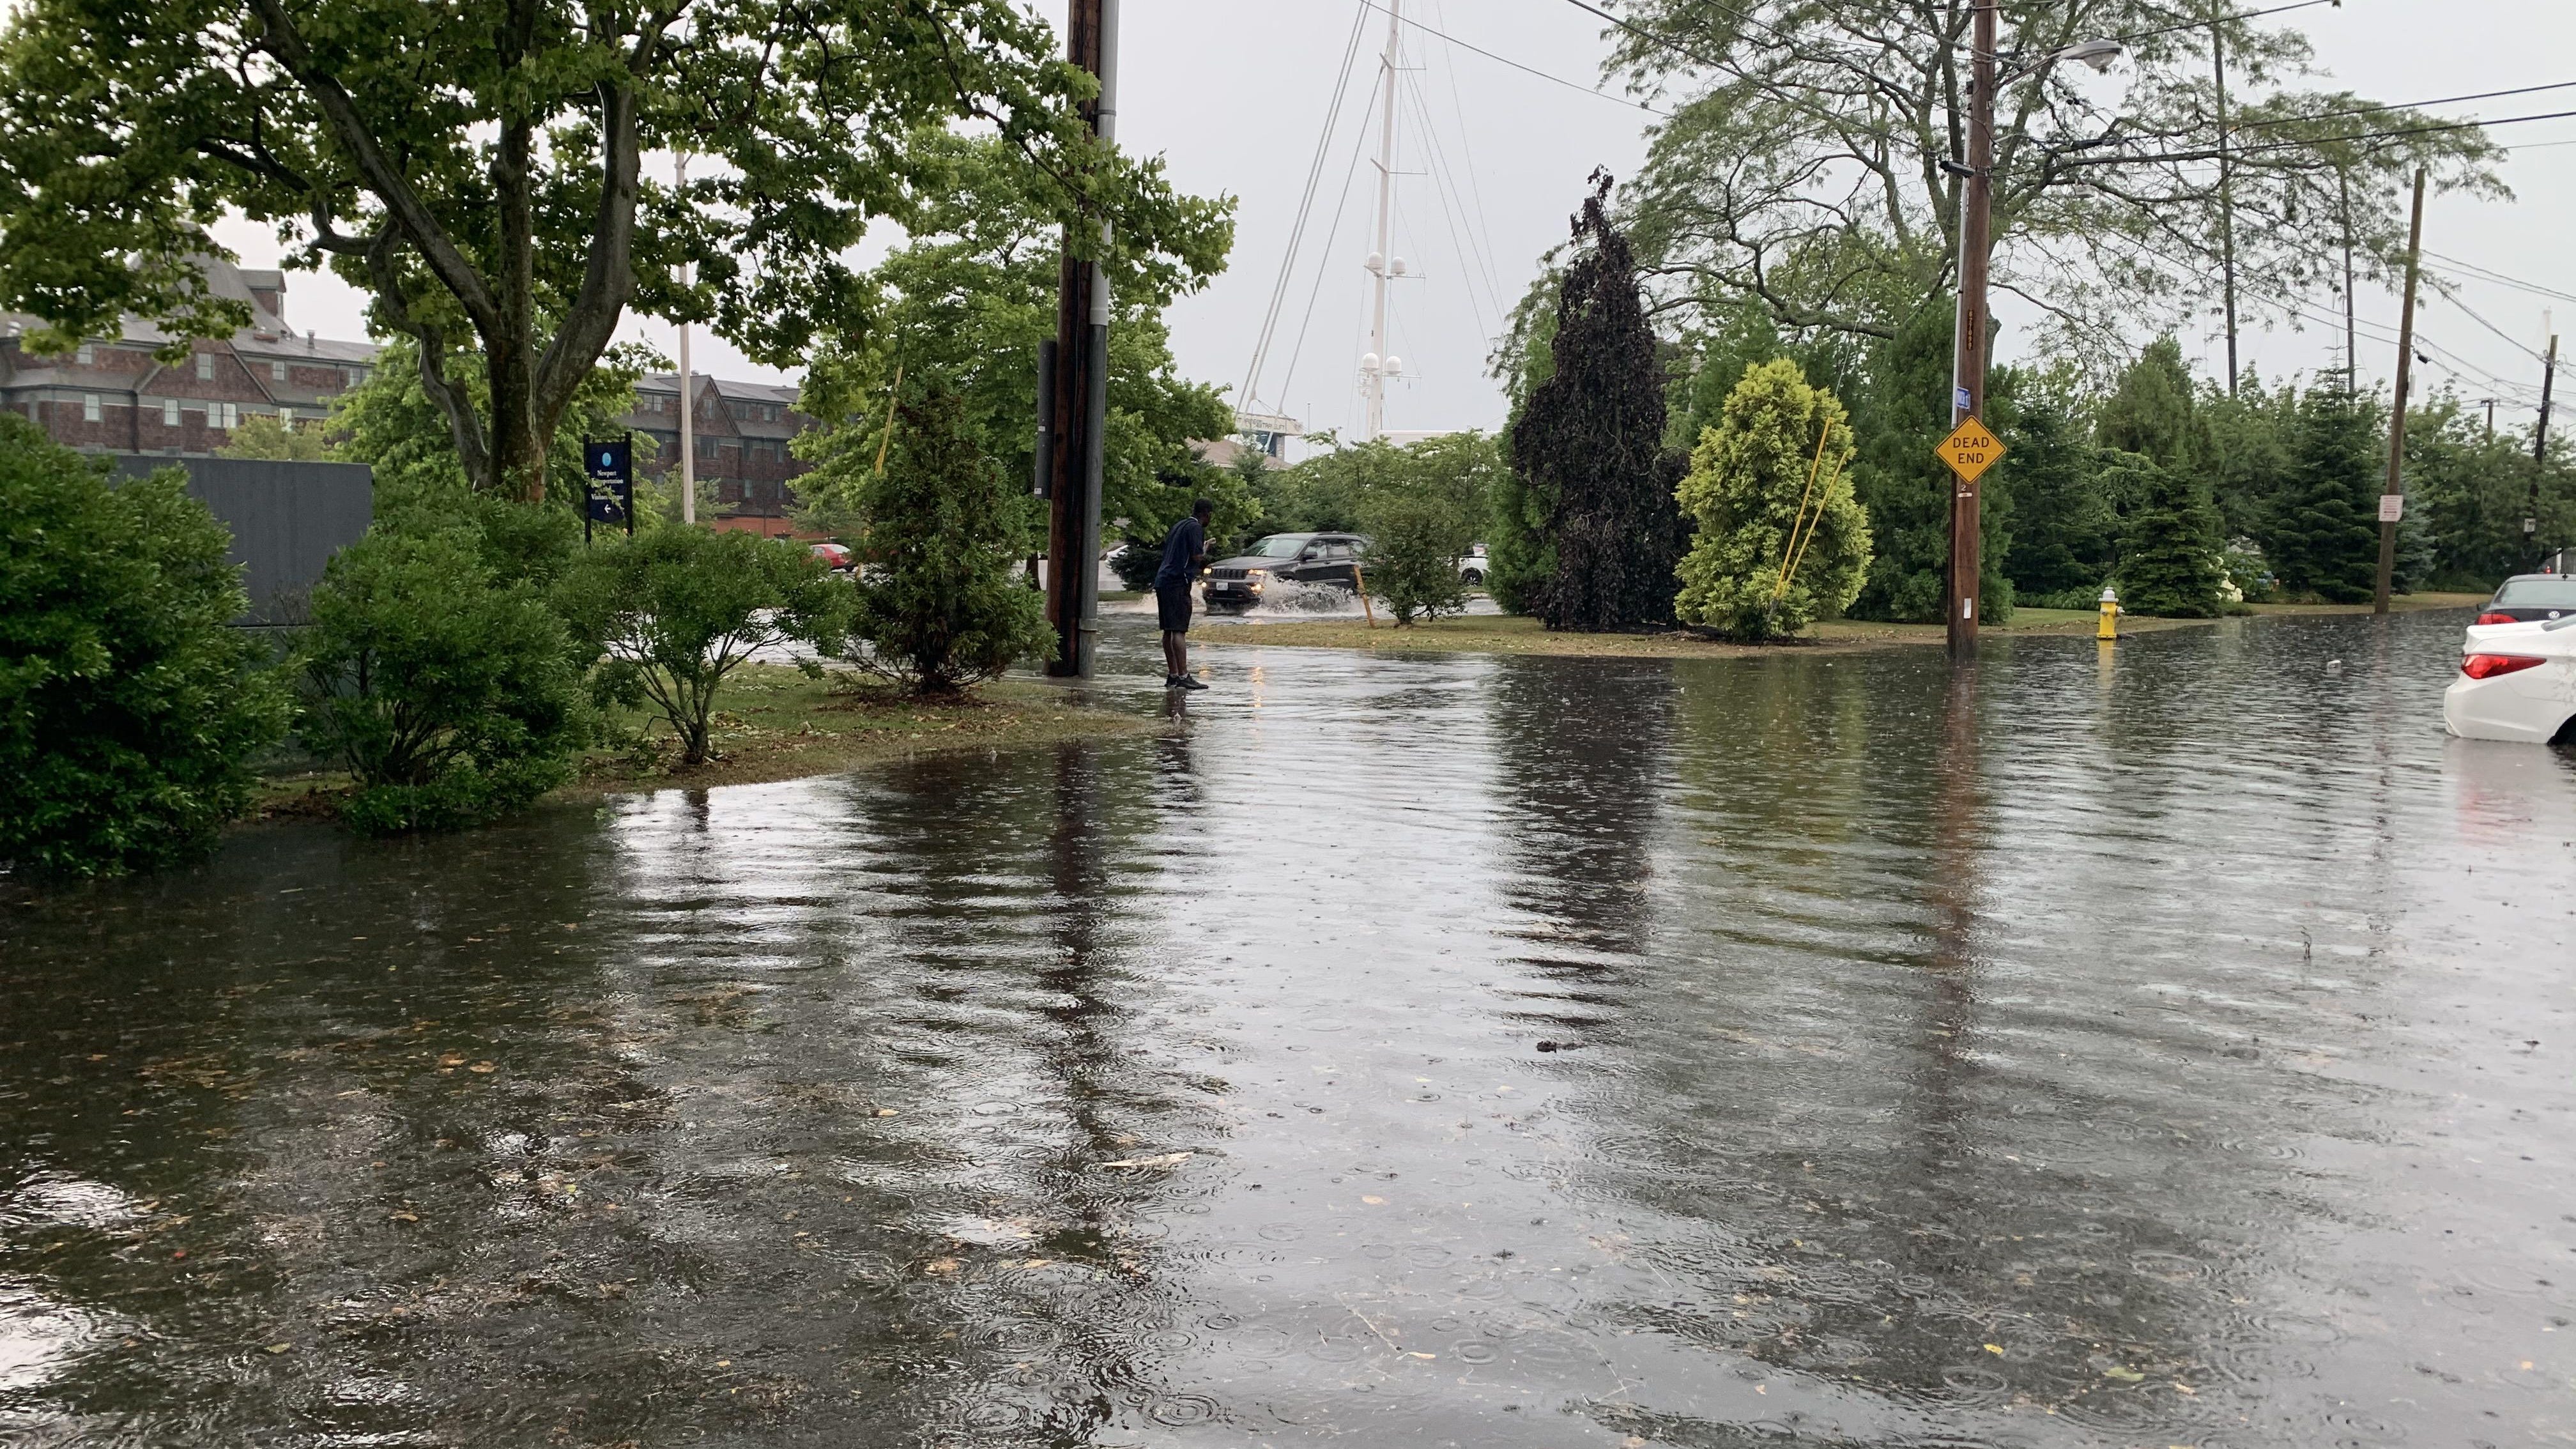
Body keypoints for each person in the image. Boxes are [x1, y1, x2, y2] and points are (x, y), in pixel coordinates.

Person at [1154, 498, 1215, 690]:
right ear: (1206, 514)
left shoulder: (1179, 525)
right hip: (1178, 581)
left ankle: (1173, 676)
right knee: (1179, 629)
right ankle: (1184, 676)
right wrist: (1205, 549)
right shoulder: (1195, 528)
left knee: (1168, 629)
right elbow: (1196, 556)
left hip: (1163, 580)